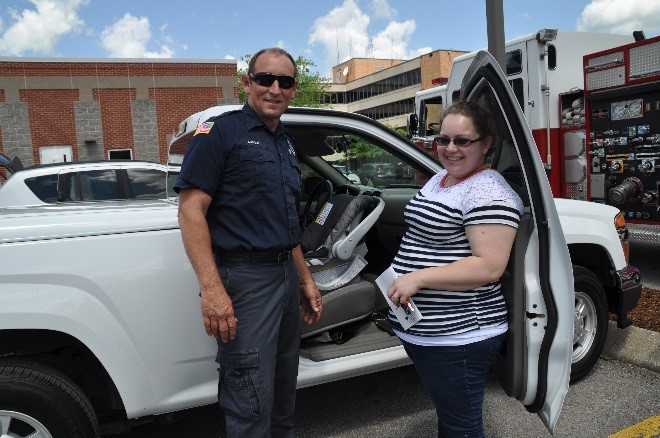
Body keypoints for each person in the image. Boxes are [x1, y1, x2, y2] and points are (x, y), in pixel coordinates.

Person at [174, 47, 322, 438]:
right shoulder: (221, 133)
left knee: (282, 391)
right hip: (245, 280)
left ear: (293, 90)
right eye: (265, 79)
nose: (274, 89)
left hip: (285, 277)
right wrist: (211, 289)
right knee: (250, 398)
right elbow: (190, 211)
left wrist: (305, 278)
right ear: (247, 82)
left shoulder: (285, 143)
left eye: (285, 82)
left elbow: (286, 223)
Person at [386, 100, 524, 437]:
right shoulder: (443, 179)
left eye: (463, 141)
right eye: (443, 139)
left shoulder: (489, 192)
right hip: (429, 329)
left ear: (486, 144)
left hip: (460, 334)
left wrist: (417, 277)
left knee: (461, 426)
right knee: (451, 417)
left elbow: (489, 267)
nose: (450, 148)